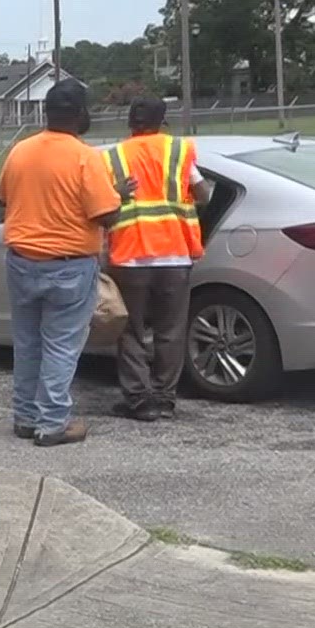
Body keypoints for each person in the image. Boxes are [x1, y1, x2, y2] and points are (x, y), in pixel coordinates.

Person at [0, 78, 132, 447]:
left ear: (46, 112)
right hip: (69, 265)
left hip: (22, 261)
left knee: (27, 344)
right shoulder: (85, 156)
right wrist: (118, 197)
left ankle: (25, 417)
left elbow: (3, 200)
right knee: (60, 346)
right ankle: (53, 423)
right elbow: (105, 215)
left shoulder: (20, 152)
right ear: (81, 114)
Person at [103, 97, 213, 421]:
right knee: (171, 330)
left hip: (130, 256)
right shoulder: (178, 152)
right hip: (174, 255)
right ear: (162, 122)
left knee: (131, 331)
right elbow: (204, 193)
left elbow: (102, 200)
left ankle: (139, 400)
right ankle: (165, 398)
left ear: (129, 123)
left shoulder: (113, 156)